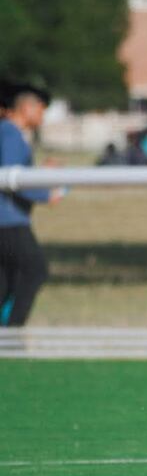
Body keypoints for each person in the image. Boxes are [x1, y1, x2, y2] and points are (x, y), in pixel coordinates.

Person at [0, 84, 62, 326]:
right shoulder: (11, 133)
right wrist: (45, 194)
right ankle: (12, 333)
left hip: (8, 220)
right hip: (9, 221)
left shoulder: (7, 132)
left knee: (7, 280)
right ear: (27, 108)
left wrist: (40, 174)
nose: (43, 116)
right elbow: (11, 177)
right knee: (34, 270)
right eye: (41, 110)